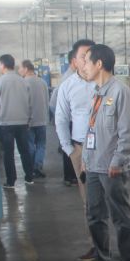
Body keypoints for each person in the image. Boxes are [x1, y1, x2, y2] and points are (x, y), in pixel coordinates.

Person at [76, 44, 130, 261]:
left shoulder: (120, 92)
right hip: (94, 165)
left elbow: (128, 132)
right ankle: (102, 260)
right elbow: (91, 129)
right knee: (94, 214)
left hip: (111, 167)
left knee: (120, 216)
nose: (83, 66)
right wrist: (85, 159)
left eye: (86, 61)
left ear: (99, 64)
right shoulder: (96, 92)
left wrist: (118, 161)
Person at [55, 39, 100, 261]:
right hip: (81, 150)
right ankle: (97, 246)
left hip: (107, 149)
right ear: (74, 62)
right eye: (84, 56)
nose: (88, 60)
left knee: (116, 198)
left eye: (92, 55)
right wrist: (70, 150)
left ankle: (126, 247)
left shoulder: (105, 83)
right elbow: (61, 118)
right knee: (89, 201)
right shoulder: (67, 87)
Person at [0, 54, 34, 188]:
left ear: (2, 65)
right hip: (22, 122)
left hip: (5, 123)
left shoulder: (0, 82)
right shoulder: (23, 81)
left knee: (8, 153)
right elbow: (30, 103)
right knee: (25, 151)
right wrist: (29, 119)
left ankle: (11, 181)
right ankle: (29, 177)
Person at [51, 49, 79, 186]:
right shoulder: (69, 79)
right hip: (70, 120)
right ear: (74, 61)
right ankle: (70, 177)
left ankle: (72, 176)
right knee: (70, 149)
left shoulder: (73, 77)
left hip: (71, 119)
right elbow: (53, 103)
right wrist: (62, 118)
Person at [21, 60, 50, 178]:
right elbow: (47, 100)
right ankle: (38, 166)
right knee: (41, 144)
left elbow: (22, 102)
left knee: (30, 145)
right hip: (42, 119)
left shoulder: (23, 83)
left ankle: (32, 168)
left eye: (20, 68)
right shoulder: (43, 82)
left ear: (26, 68)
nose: (19, 71)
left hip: (28, 120)